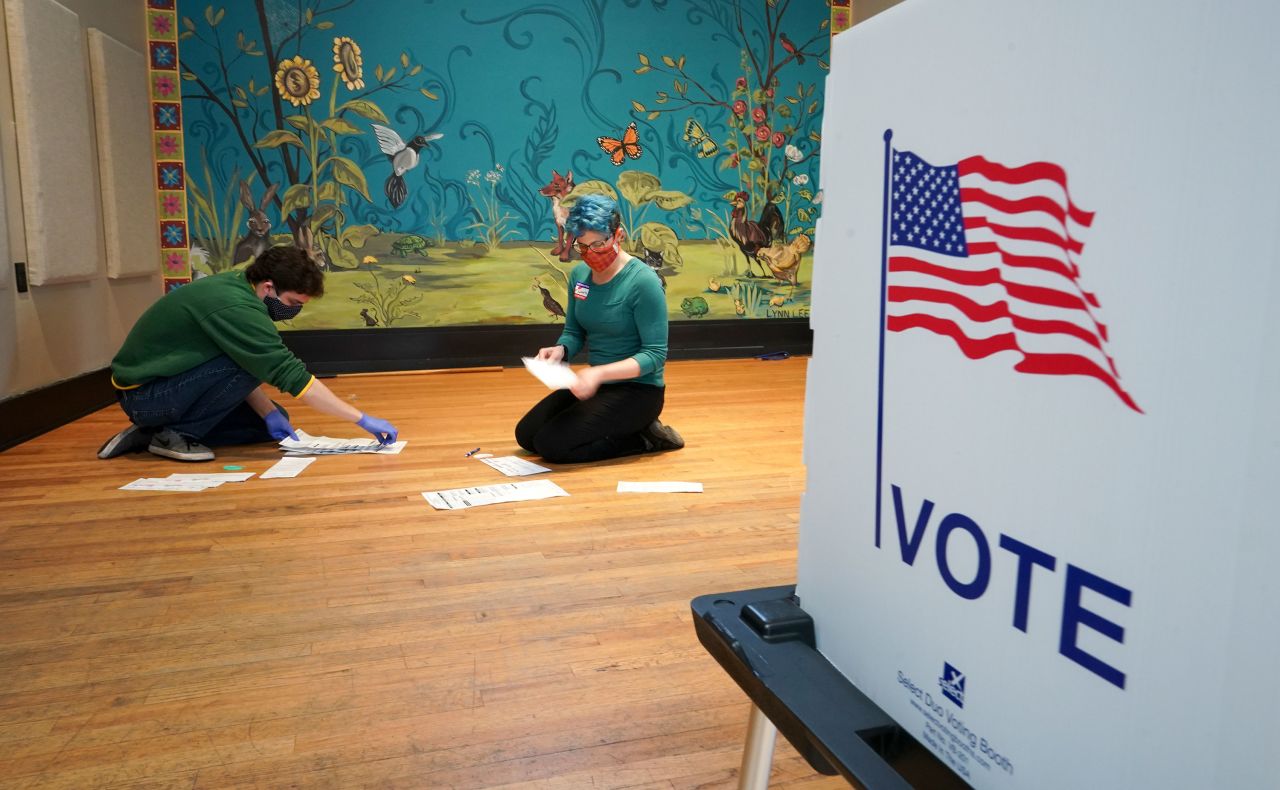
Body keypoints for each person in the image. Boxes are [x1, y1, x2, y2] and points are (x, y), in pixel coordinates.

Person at [97, 246, 398, 462]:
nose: (294, 310)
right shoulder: (236, 308)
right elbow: (288, 374)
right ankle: (171, 434)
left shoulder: (238, 286)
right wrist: (362, 420)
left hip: (163, 387)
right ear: (269, 287)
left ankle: (152, 432)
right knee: (255, 366)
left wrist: (268, 413)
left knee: (268, 421)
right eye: (293, 302)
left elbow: (237, 360)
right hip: (146, 396)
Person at [515, 194, 683, 463]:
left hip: (638, 392)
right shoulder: (579, 277)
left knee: (552, 446)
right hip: (597, 385)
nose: (590, 254)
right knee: (526, 436)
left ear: (619, 235)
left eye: (598, 244)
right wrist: (561, 349)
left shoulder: (644, 282)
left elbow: (654, 355)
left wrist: (597, 373)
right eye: (582, 247)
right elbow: (574, 331)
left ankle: (645, 438)